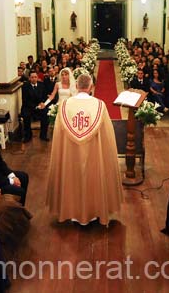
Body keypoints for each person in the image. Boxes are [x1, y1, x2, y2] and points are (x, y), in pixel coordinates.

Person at [46, 74, 123, 226]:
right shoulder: (99, 105)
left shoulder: (64, 105)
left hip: (70, 153)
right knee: (94, 176)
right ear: (91, 87)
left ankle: (71, 212)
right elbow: (107, 136)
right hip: (94, 154)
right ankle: (94, 212)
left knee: (71, 175)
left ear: (77, 86)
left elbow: (58, 135)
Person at [20, 72, 50, 142]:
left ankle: (43, 135)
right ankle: (28, 136)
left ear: (37, 78)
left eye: (35, 77)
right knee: (26, 115)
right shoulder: (25, 86)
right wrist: (36, 106)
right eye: (32, 77)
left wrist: (42, 103)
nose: (34, 79)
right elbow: (25, 100)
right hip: (29, 106)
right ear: (29, 78)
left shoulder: (42, 85)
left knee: (46, 114)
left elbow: (44, 96)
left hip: (40, 105)